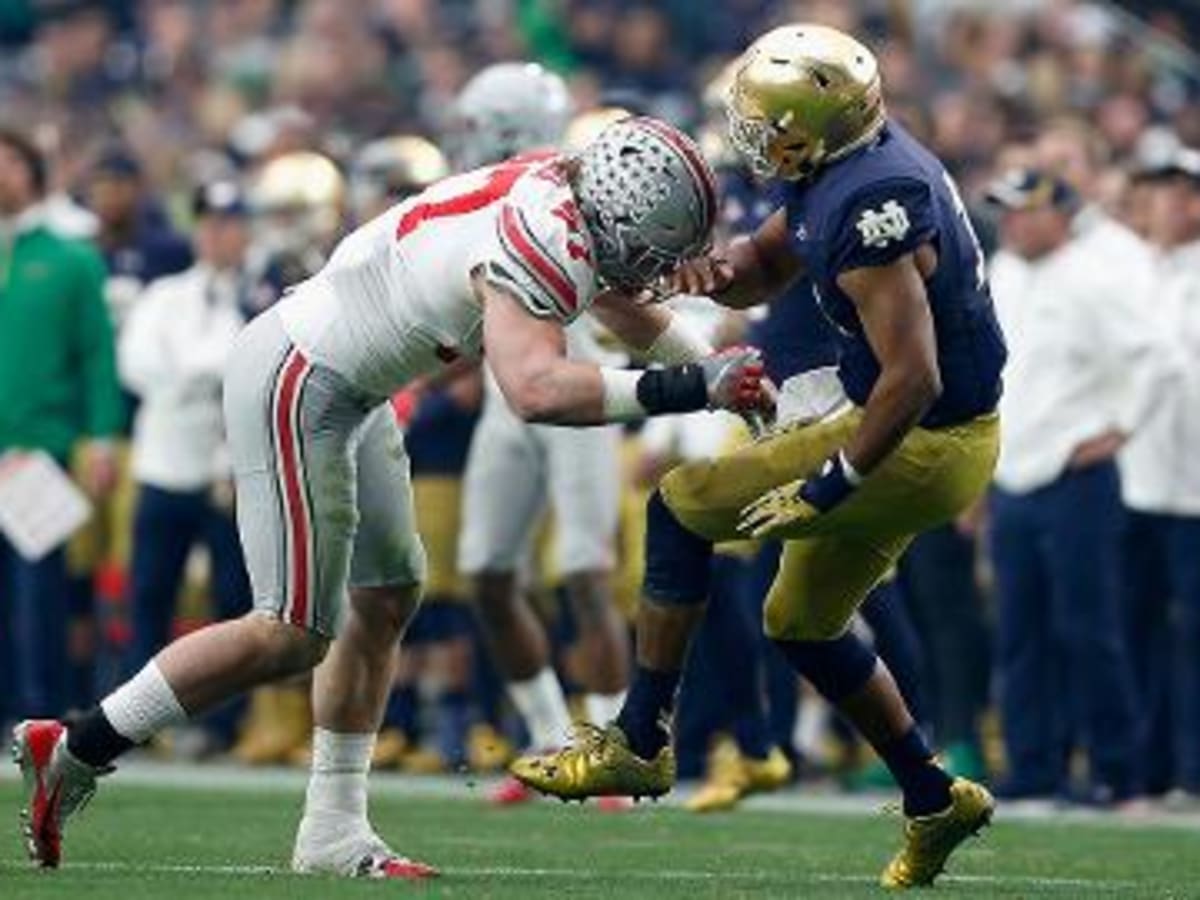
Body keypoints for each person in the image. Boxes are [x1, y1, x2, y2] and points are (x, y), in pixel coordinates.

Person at [13, 116, 769, 879]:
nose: (654, 269)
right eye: (653, 249)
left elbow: (607, 294)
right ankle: (75, 747)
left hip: (352, 384)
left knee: (386, 597)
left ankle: (333, 829)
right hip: (300, 377)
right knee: (291, 631)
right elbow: (536, 389)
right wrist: (697, 387)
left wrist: (710, 362)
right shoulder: (537, 238)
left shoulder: (561, 186)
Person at [512, 24, 1008, 889]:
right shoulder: (846, 164)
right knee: (800, 623)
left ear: (810, 123)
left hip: (921, 438)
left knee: (680, 503)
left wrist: (836, 479)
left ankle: (639, 739)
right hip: (919, 427)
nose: (747, 130)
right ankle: (935, 799)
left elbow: (915, 375)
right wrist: (690, 273)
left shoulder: (870, 198)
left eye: (761, 117)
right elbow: (764, 262)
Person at [449, 65, 634, 806]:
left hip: (578, 382)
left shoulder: (575, 187)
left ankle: (610, 748)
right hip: (508, 396)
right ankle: (551, 734)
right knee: (487, 574)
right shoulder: (483, 195)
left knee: (585, 572)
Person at [985, 167, 1173, 806]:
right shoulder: (1004, 275)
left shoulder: (1094, 277)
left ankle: (1117, 770)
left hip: (1076, 474)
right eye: (1005, 211)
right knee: (1018, 630)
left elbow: (1157, 358)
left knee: (1088, 627)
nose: (1009, 223)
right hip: (1014, 473)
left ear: (1060, 214)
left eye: (1022, 210)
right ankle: (1034, 763)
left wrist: (1120, 430)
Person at [117, 181, 264, 753]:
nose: (219, 234)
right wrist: (206, 376)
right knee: (151, 591)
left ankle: (222, 723)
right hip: (166, 461)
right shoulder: (167, 294)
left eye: (229, 223)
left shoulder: (259, 294)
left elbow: (240, 366)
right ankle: (135, 722)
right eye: (209, 223)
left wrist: (195, 375)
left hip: (227, 469)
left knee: (234, 596)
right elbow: (138, 363)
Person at [0, 127, 122, 725]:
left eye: (11, 159)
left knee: (38, 594)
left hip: (39, 450)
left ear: (34, 172)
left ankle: (38, 715)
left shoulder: (69, 258)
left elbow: (97, 354)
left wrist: (102, 437)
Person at [1118, 148, 1200, 803]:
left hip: (1194, 482)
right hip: (1135, 478)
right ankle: (1147, 769)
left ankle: (1191, 769)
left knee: (1192, 632)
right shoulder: (1133, 268)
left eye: (1177, 190)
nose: (1167, 202)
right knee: (1137, 627)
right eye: (1161, 189)